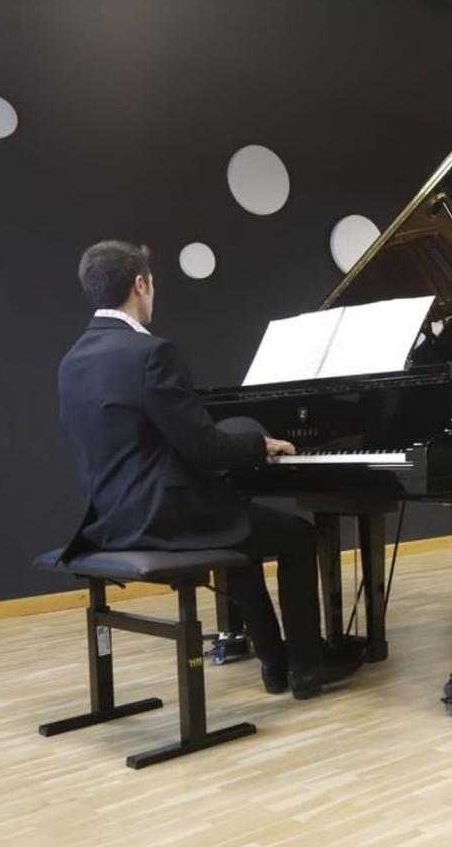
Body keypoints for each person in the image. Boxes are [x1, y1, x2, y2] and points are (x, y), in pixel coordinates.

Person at [56, 240, 359, 699]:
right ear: (140, 284)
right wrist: (261, 445)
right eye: (151, 284)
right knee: (296, 536)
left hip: (109, 518)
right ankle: (306, 667)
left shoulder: (72, 361)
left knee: (236, 521)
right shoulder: (149, 354)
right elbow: (207, 448)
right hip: (165, 516)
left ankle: (276, 662)